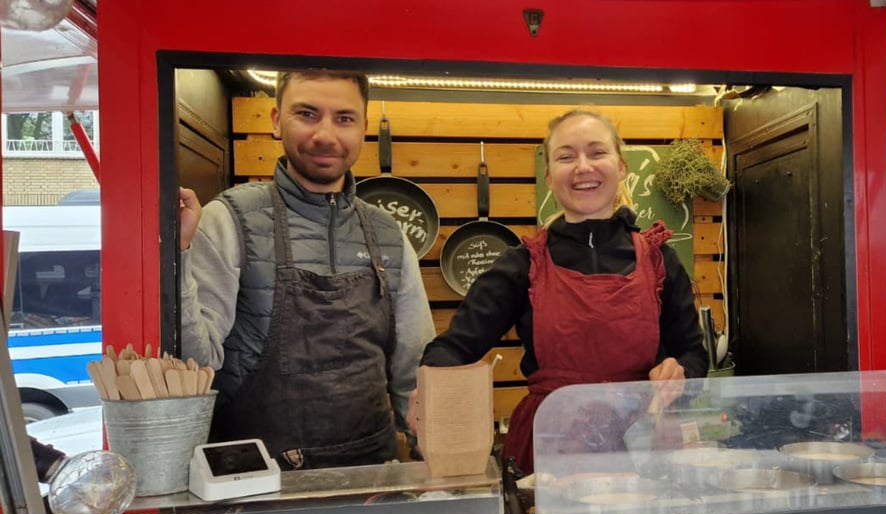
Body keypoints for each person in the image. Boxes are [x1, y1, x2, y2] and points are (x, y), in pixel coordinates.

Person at [416, 109, 707, 473]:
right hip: (551, 454)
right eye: (566, 156)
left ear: (621, 168)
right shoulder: (522, 264)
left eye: (597, 152)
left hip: (644, 451)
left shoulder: (658, 259)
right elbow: (451, 348)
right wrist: (430, 390)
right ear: (550, 177)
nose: (583, 166)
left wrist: (679, 371)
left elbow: (693, 353)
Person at [178, 69, 435, 470]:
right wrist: (177, 257)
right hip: (255, 480)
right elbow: (197, 365)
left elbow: (412, 369)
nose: (326, 135)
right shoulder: (228, 220)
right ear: (277, 120)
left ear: (363, 128)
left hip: (370, 476)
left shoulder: (389, 236)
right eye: (308, 114)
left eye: (344, 118)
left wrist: (433, 456)